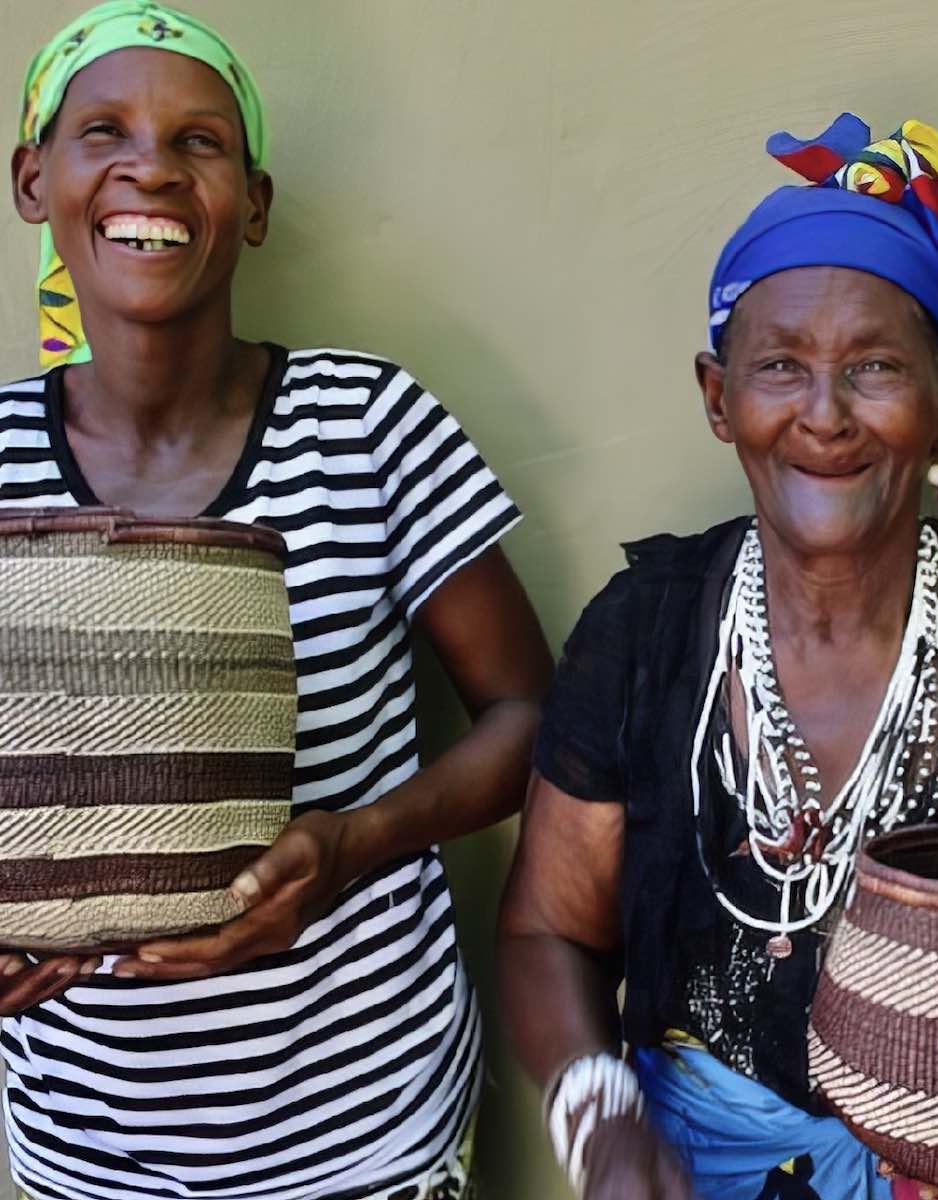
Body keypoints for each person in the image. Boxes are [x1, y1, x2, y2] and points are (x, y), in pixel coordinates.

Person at [497, 112, 938, 1200]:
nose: (823, 416)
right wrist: (607, 1134)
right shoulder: (646, 639)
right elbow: (545, 931)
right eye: (778, 366)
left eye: (873, 368)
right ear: (719, 400)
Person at [0, 5, 551, 1198]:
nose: (150, 163)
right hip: (85, 1152)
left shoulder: (367, 427)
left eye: (198, 141)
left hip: (369, 1136)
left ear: (251, 204)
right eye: (105, 130)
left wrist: (352, 847)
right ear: (34, 179)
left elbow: (530, 719)